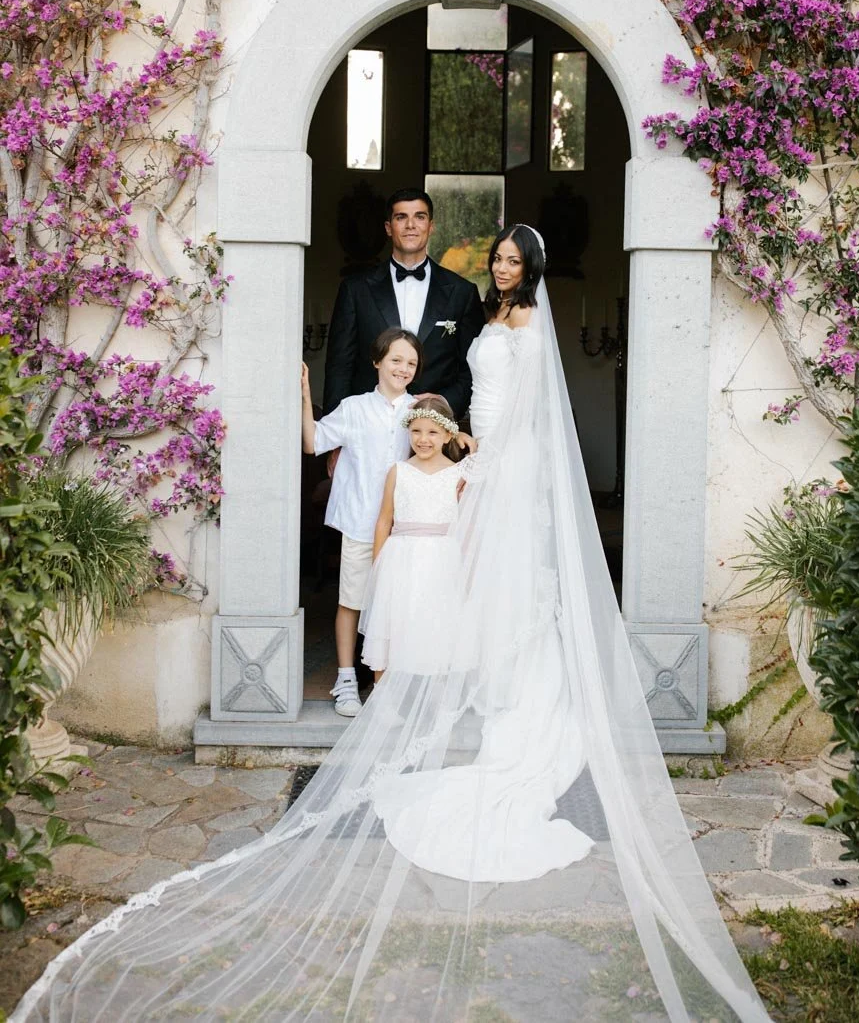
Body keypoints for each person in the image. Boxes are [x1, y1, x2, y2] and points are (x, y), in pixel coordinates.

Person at [14, 225, 773, 1023]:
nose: (502, 267)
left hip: (505, 463)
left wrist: (481, 460)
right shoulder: (483, 322)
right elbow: (444, 401)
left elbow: (528, 413)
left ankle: (519, 685)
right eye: (499, 259)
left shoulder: (532, 325)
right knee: (474, 577)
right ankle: (485, 674)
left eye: (514, 261)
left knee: (511, 575)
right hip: (477, 450)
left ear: (533, 269)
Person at [300, 328, 422, 717]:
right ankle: (347, 678)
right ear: (377, 361)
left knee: (396, 605)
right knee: (351, 600)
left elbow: (440, 446)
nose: (403, 368)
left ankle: (389, 682)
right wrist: (305, 395)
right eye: (396, 360)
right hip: (359, 522)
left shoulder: (420, 409)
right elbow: (312, 442)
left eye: (411, 363)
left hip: (403, 527)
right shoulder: (353, 407)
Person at [323, 186, 484, 419]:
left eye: (420, 217)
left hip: (434, 430)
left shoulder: (462, 292)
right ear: (388, 228)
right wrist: (335, 432)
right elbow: (340, 367)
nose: (411, 225)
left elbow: (472, 369)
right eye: (401, 217)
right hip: (367, 425)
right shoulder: (355, 289)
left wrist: (445, 406)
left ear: (431, 226)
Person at [360, 396, 470, 679]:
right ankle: (381, 697)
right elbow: (384, 520)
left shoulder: (459, 475)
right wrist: (378, 566)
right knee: (392, 622)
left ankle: (433, 697)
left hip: (442, 559)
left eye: (433, 432)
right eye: (416, 431)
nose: (423, 439)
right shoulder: (399, 471)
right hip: (400, 558)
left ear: (448, 434)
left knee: (436, 624)